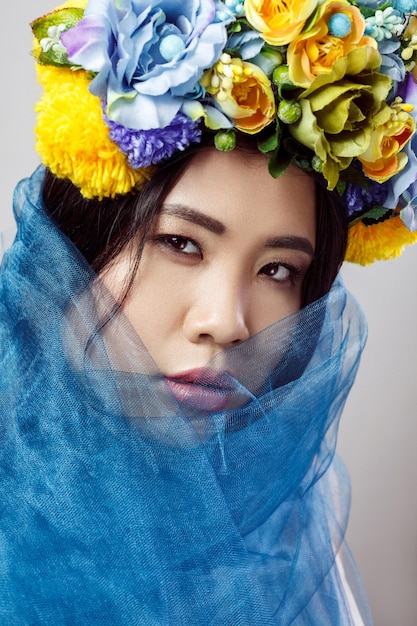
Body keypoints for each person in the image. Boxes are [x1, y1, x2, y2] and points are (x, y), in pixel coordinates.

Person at [1, 0, 417, 624]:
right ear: (74, 246)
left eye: (279, 270)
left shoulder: (286, 539)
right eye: (181, 244)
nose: (227, 323)